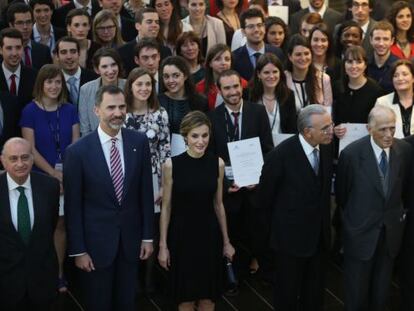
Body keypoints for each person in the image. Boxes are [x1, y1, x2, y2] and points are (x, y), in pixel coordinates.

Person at [63, 85, 154, 311]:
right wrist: (79, 250)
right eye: (111, 107)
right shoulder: (77, 152)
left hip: (131, 243)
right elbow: (73, 207)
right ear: (96, 110)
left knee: (127, 303)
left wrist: (147, 237)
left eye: (122, 106)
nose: (118, 112)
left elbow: (145, 193)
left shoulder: (139, 142)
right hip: (95, 248)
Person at [336, 105, 413, 311]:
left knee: (381, 295)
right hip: (360, 233)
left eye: (392, 128)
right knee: (356, 295)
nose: (389, 134)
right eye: (383, 129)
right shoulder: (351, 154)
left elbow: (404, 189)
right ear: (370, 128)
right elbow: (343, 194)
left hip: (390, 235)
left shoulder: (404, 150)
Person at [259, 104, 334, 311]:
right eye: (325, 127)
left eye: (331, 124)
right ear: (308, 132)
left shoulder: (326, 147)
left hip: (319, 240)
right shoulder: (280, 156)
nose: (331, 130)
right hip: (289, 243)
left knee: (315, 296)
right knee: (287, 296)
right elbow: (264, 200)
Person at [158, 110, 235, 309]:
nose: (201, 141)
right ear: (185, 137)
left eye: (205, 135)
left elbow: (218, 204)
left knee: (208, 299)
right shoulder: (171, 165)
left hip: (209, 237)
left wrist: (226, 242)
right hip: (181, 238)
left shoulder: (216, 164)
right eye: (195, 136)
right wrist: (163, 246)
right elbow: (166, 207)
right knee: (185, 299)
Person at [209, 69, 273, 291]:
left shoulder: (258, 112)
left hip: (255, 185)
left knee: (259, 229)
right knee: (232, 231)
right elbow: (212, 156)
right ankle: (233, 274)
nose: (233, 91)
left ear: (242, 86)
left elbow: (268, 149)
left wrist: (259, 178)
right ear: (220, 90)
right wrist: (226, 185)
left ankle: (262, 267)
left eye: (236, 86)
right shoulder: (213, 116)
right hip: (229, 188)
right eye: (227, 88)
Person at [19, 64, 80, 293]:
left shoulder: (69, 109)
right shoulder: (29, 111)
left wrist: (65, 174)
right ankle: (37, 272)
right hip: (41, 177)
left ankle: (59, 273)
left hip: (68, 175)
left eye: (57, 82)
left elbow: (76, 143)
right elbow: (30, 149)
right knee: (41, 226)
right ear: (41, 84)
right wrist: (53, 174)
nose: (54, 86)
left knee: (61, 225)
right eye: (49, 82)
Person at [123, 67, 171, 293]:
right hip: (127, 180)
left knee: (151, 227)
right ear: (130, 87)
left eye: (148, 84)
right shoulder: (121, 115)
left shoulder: (160, 113)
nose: (144, 88)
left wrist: (164, 185)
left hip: (154, 178)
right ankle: (131, 277)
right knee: (132, 226)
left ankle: (149, 279)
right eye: (139, 84)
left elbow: (165, 151)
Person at [0, 138, 60, 311]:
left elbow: (50, 226)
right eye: (13, 158)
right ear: (3, 161)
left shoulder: (50, 187)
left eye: (25, 157)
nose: (20, 164)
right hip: (5, 283)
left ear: (33, 159)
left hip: (42, 280)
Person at [333, 46, 383, 142]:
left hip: (366, 144)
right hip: (340, 143)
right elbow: (332, 117)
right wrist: (334, 128)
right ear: (344, 64)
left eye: (358, 62)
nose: (354, 66)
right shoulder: (336, 87)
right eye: (350, 62)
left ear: (365, 65)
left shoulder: (376, 90)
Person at [79, 47, 126, 136]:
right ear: (97, 70)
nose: (110, 70)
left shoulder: (129, 86)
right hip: (95, 143)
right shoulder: (86, 90)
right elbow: (85, 128)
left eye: (113, 65)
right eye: (104, 66)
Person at [249, 53, 297, 136]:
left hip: (283, 146)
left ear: (280, 73)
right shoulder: (249, 95)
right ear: (258, 74)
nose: (271, 76)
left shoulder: (289, 95)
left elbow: (292, 128)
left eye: (275, 72)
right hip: (259, 146)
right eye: (266, 72)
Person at [159, 56, 208, 136]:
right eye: (166, 76)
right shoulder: (158, 101)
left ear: (185, 76)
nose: (171, 81)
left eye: (176, 75)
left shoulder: (200, 101)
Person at [232, 8, 285, 82]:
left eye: (259, 25)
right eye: (251, 26)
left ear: (264, 28)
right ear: (243, 32)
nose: (256, 30)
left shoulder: (277, 53)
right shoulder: (235, 57)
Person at [117, 7, 172, 75]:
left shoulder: (166, 52)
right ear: (137, 26)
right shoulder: (122, 52)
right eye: (149, 22)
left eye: (157, 22)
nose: (154, 25)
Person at [285, 34, 333, 112]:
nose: (303, 58)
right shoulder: (284, 78)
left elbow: (328, 110)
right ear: (290, 57)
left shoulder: (324, 78)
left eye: (306, 53)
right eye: (298, 54)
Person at [197, 44, 249, 110]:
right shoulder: (200, 88)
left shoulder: (243, 84)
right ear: (210, 63)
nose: (223, 63)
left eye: (227, 59)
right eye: (218, 59)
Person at [7, 2, 52, 70]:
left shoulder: (44, 51)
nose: (25, 27)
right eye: (20, 23)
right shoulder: (3, 54)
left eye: (28, 22)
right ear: (11, 25)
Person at [375, 59, 414, 138]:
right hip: (393, 148)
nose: (400, 78)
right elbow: (376, 131)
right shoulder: (382, 102)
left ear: (413, 78)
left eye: (405, 74)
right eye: (395, 75)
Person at [54, 36, 98, 106]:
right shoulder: (53, 82)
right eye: (63, 52)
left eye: (73, 51)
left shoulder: (95, 79)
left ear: (79, 53)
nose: (69, 57)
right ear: (57, 56)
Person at [0, 28, 37, 108]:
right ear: (0, 50)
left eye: (18, 47)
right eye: (9, 48)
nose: (14, 53)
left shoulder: (34, 76)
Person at [367, 21, 399, 94]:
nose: (381, 43)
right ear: (371, 40)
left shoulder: (399, 66)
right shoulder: (363, 64)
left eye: (385, 39)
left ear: (392, 41)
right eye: (377, 39)